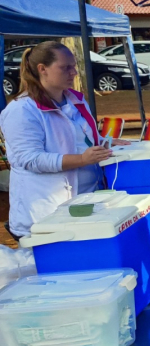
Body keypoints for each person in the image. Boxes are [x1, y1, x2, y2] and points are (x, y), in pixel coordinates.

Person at [0, 42, 114, 239]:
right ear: (42, 69)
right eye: (65, 67)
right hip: (45, 216)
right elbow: (30, 159)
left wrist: (102, 141)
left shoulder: (74, 100)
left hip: (83, 207)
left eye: (74, 66)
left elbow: (76, 136)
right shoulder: (21, 110)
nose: (74, 73)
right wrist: (82, 159)